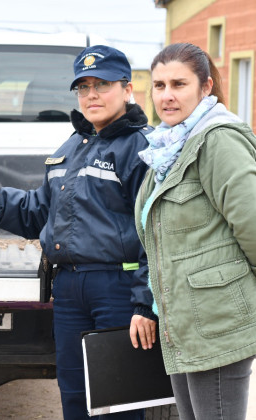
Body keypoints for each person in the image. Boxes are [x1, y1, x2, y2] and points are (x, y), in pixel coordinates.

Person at [0, 45, 157, 419]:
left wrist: (144, 304)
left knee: (118, 403)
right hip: (69, 291)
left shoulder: (142, 149)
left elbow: (157, 232)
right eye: (83, 87)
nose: (91, 95)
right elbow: (43, 210)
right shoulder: (71, 147)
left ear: (127, 89)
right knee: (74, 397)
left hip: (117, 290)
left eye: (102, 84)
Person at [134, 42, 256, 420]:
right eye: (158, 85)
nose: (167, 96)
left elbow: (252, 223)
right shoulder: (166, 149)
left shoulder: (218, 138)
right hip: (185, 322)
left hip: (218, 320)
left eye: (178, 84)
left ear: (206, 88)